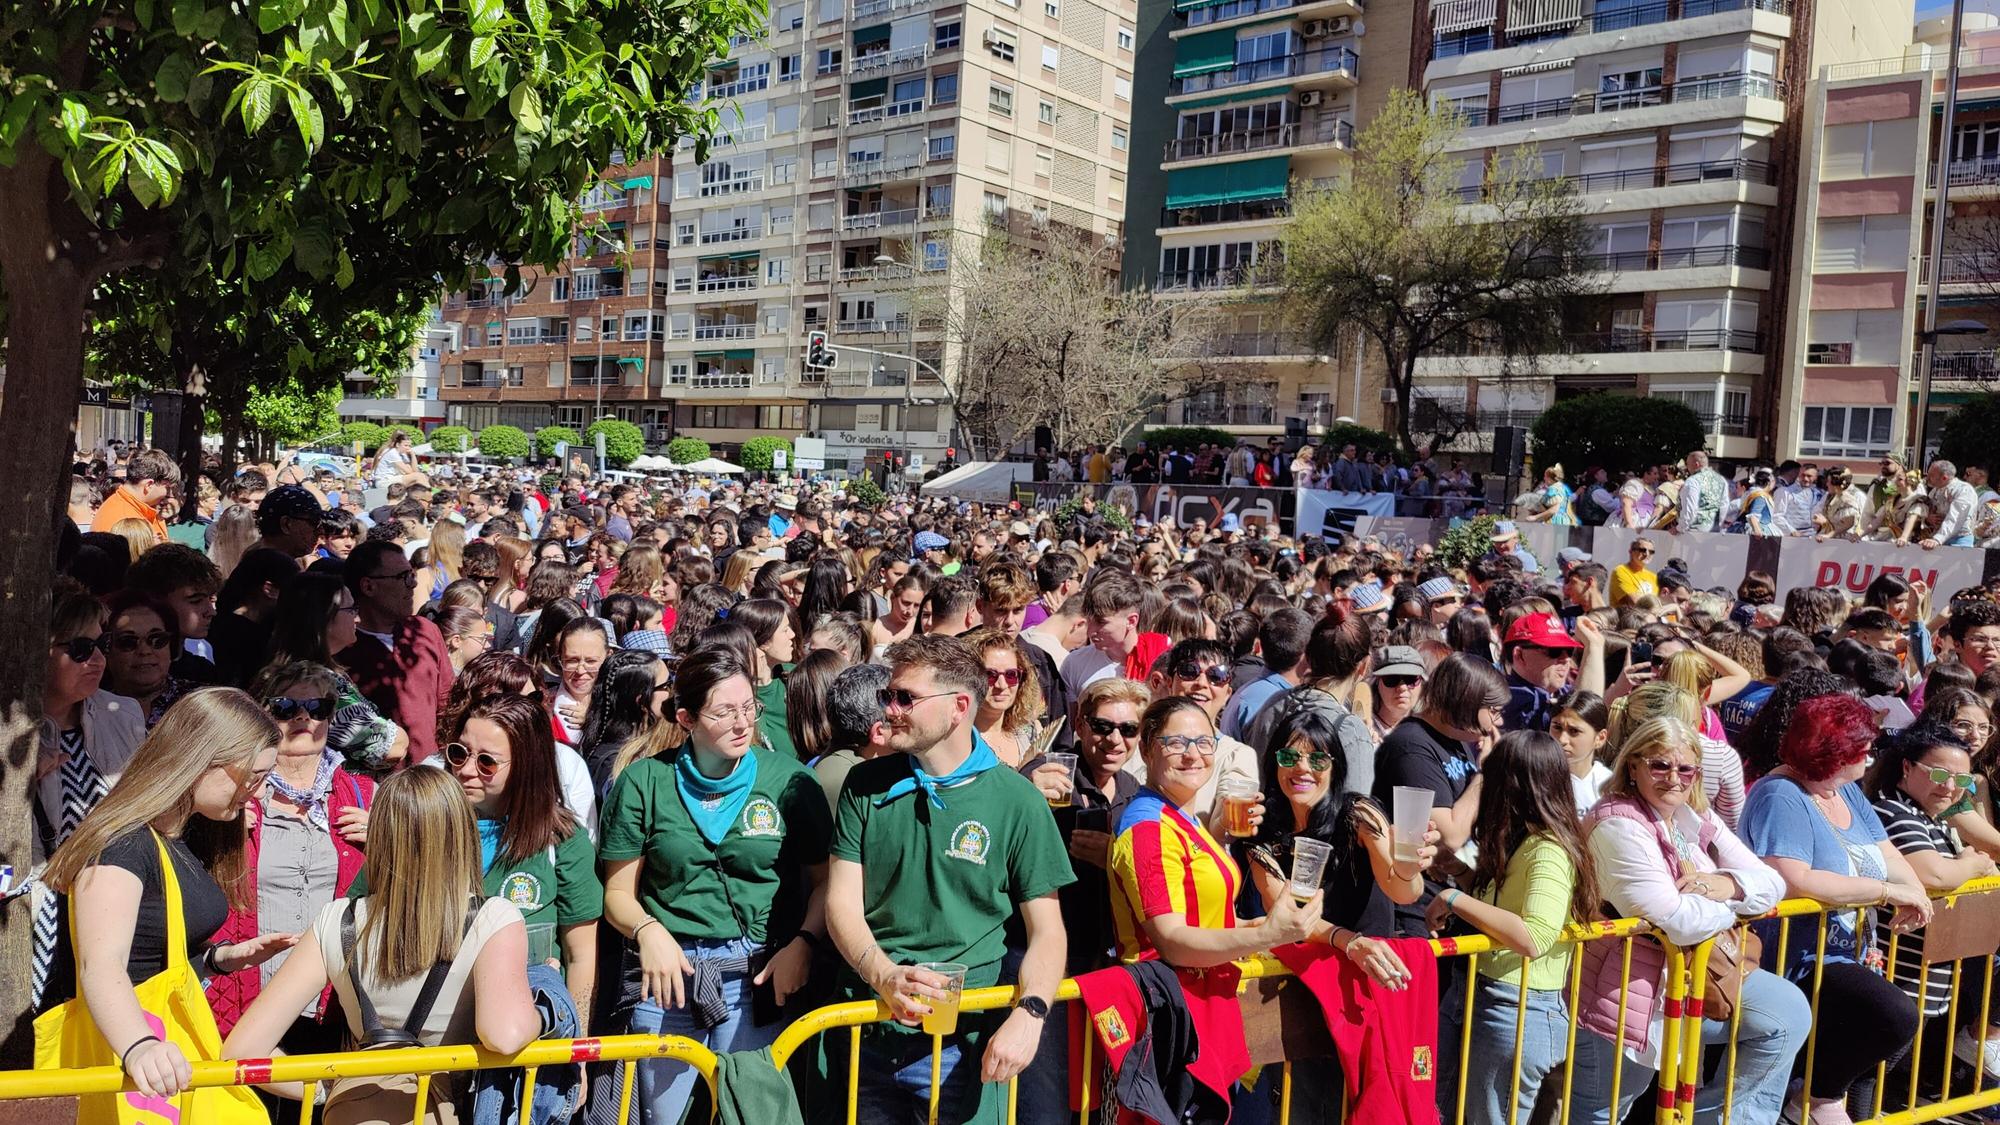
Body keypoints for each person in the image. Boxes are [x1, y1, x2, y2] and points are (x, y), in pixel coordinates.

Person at [826, 634, 1073, 1124]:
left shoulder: (1016, 800)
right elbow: (841, 902)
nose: (889, 709)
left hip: (964, 1042)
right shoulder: (864, 783)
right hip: (866, 1029)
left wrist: (1031, 1014)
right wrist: (883, 975)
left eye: (905, 698)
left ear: (959, 706)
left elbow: (1048, 931)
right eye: (886, 696)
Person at [222, 767, 541, 1122]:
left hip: (352, 1110)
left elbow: (243, 1050)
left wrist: (332, 1086)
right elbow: (505, 1036)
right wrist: (542, 1014)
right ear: (462, 834)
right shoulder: (494, 919)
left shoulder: (336, 919)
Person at [599, 646, 832, 1124]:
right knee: (662, 1118)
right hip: (666, 980)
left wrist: (803, 943)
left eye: (749, 707)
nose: (743, 723)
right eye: (724, 712)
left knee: (752, 1113)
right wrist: (648, 932)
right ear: (686, 717)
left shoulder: (788, 781)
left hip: (753, 977)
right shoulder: (644, 781)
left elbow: (826, 884)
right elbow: (617, 895)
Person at [40, 688, 293, 1103]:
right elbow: (101, 967)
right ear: (203, 760)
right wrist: (139, 1046)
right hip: (127, 1062)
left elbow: (149, 951)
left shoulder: (175, 835)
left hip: (154, 1057)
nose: (260, 793)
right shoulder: (122, 844)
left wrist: (220, 958)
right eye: (255, 776)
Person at [1570, 715, 1806, 1125]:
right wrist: (1730, 903)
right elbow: (1671, 916)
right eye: (1660, 765)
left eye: (1685, 768)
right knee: (1603, 1107)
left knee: (1786, 1013)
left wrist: (1726, 885)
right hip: (1623, 986)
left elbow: (1773, 883)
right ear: (1633, 765)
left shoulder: (1694, 815)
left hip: (1684, 979)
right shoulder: (1616, 823)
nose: (1673, 779)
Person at [1739, 694, 1934, 1124]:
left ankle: (1818, 1099)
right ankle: (1810, 1099)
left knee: (1880, 1047)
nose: (1871, 755)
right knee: (1893, 1015)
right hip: (1796, 957)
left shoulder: (1845, 789)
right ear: (1833, 753)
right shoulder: (1780, 794)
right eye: (1862, 748)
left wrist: (1913, 892)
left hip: (1853, 949)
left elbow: (1888, 853)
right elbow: (1795, 880)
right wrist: (1886, 893)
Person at [1428, 729, 1596, 1125]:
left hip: (1515, 1008)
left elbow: (1533, 936)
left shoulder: (1549, 849)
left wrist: (1454, 899)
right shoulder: (1524, 838)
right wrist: (1460, 875)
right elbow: (1507, 905)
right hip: (1485, 996)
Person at [206, 662, 373, 1057]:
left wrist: (388, 836)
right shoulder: (228, 793)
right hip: (247, 998)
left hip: (332, 1005)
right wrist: (216, 827)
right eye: (285, 707)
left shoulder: (366, 795)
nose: (303, 717)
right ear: (260, 713)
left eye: (318, 707)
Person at [428, 694, 603, 1027]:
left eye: (486, 762)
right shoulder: (424, 824)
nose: (465, 770)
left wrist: (576, 1051)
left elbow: (581, 956)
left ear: (525, 765)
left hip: (522, 1043)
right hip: (432, 1035)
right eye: (458, 752)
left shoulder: (562, 840)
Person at [1108, 696, 1323, 964]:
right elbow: (1171, 941)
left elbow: (1203, 917)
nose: (1193, 755)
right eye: (1176, 743)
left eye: (1204, 742)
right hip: (1172, 998)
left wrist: (1254, 926)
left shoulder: (1184, 819)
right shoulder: (1148, 829)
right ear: (1146, 750)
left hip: (1207, 994)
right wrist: (1266, 935)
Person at [32, 582, 150, 1001]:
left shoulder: (124, 714)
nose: (99, 659)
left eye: (102, 644)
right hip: (37, 917)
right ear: (36, 651)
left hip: (113, 906)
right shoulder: (15, 737)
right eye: (81, 649)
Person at [1863, 721, 2000, 1079]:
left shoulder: (1934, 819)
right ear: (1907, 767)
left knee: (1880, 1075)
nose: (1950, 787)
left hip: (1926, 975)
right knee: (1864, 1077)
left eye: (1963, 780)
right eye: (1939, 773)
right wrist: (1972, 863)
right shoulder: (1894, 811)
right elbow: (1934, 874)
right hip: (1896, 973)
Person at [1374, 653, 1508, 939]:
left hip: (1443, 899)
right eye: (1493, 710)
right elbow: (1450, 836)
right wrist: (1485, 773)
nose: (1498, 720)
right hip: (1413, 912)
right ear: (1468, 703)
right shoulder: (1412, 746)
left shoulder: (1457, 741)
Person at [341, 540, 454, 763]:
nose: (413, 584)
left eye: (412, 574)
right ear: (368, 586)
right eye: (403, 577)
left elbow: (448, 703)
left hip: (430, 777)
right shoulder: (342, 646)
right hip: (373, 787)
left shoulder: (424, 631)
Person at [98, 590, 189, 728]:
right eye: (128, 641)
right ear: (105, 650)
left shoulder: (202, 706)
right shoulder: (88, 712)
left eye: (157, 639)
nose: (145, 651)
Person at [963, 626, 1041, 767]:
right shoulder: (958, 741)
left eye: (1011, 675)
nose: (1002, 685)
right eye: (990, 675)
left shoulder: (1030, 734)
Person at [91, 448, 176, 543]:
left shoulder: (133, 506)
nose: (169, 494)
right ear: (149, 485)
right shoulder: (125, 521)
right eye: (167, 488)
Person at [1552, 690, 1612, 812]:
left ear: (1600, 738)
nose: (1562, 739)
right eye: (1557, 728)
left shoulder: (1609, 784)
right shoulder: (1536, 778)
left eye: (1574, 731)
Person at [1609, 538, 1659, 607]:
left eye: (1651, 552)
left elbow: (1661, 602)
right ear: (1631, 551)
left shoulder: (1653, 577)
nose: (1647, 554)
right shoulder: (1621, 571)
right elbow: (1635, 603)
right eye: (1642, 550)